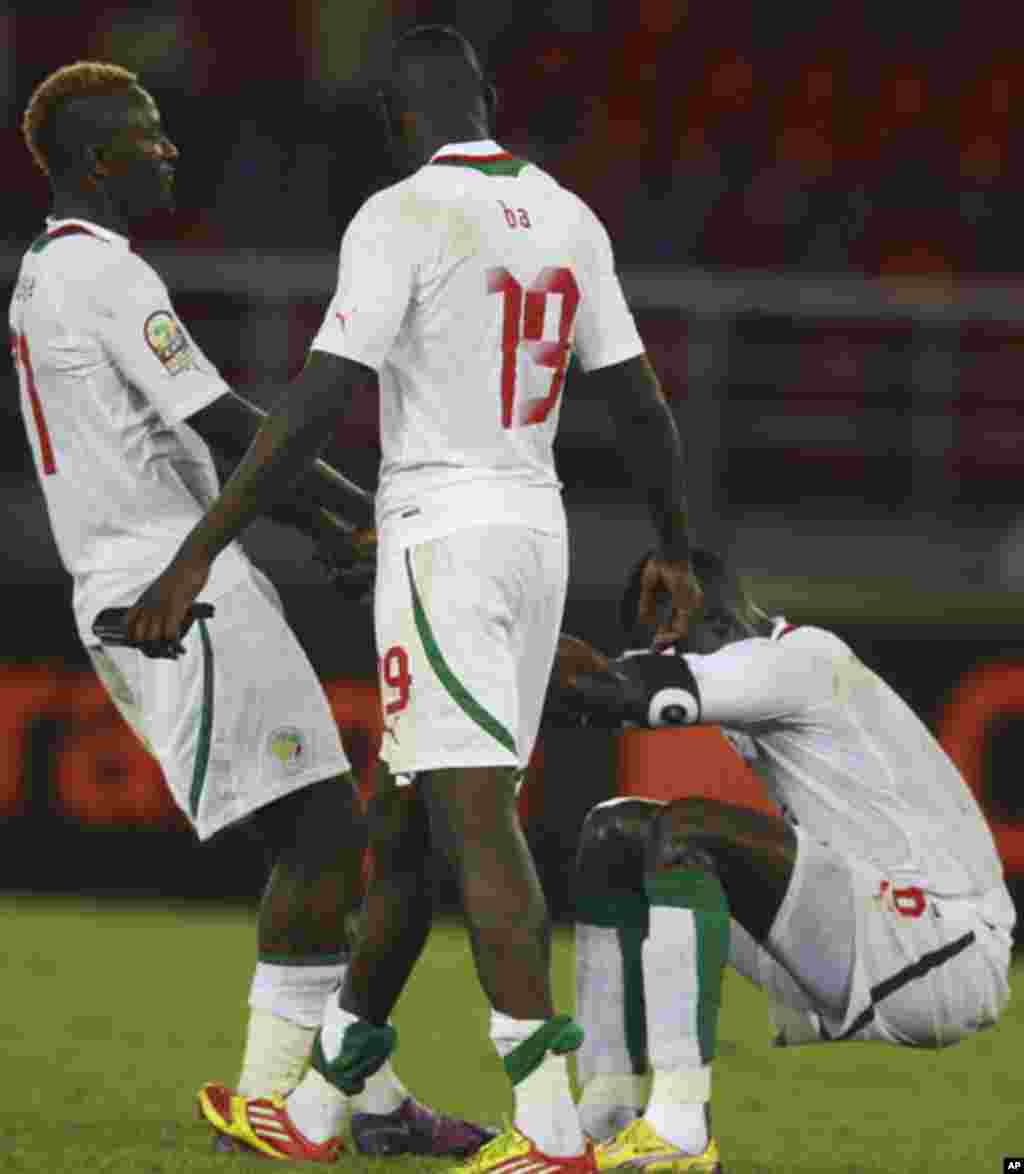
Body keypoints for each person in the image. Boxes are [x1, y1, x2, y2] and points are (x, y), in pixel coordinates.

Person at [124, 23, 702, 1172]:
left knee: (473, 814)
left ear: (395, 120)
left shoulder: (400, 215)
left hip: (444, 535)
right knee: (403, 818)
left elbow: (315, 404)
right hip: (536, 531)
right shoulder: (567, 213)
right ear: (483, 98)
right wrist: (680, 546)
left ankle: (546, 1130)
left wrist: (200, 548)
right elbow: (637, 400)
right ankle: (325, 1102)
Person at [11, 60, 492, 1161]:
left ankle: (361, 1101)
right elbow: (228, 421)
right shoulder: (105, 279)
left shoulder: (47, 274)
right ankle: (276, 1097)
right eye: (147, 136)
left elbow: (162, 445)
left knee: (314, 827)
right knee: (321, 829)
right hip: (173, 590)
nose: (170, 150)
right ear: (96, 159)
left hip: (149, 574)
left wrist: (320, 530)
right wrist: (363, 508)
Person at [558, 548, 1016, 1173]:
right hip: (874, 919)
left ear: (711, 617)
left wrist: (511, 634)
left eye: (670, 639)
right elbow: (599, 694)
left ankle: (680, 1132)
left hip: (944, 942)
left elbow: (619, 693)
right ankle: (604, 1119)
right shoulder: (770, 659)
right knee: (614, 833)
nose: (668, 656)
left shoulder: (797, 662)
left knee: (688, 831)